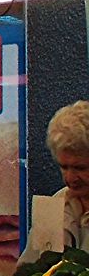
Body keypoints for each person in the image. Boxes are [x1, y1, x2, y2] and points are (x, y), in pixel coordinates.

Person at [21, 99, 89, 263]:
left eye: (79, 168)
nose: (70, 178)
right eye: (63, 167)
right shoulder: (54, 205)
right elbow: (26, 273)